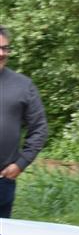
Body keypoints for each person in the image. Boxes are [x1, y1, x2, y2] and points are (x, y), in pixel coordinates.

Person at [0, 26, 49, 218]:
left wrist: (20, 164)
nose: (1, 53)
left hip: (2, 181)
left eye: (5, 48)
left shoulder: (23, 85)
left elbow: (39, 128)